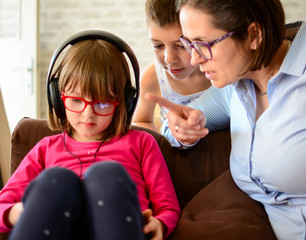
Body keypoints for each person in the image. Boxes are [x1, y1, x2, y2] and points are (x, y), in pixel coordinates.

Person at [146, 0, 306, 239]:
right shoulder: (233, 89)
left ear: (253, 34)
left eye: (202, 44)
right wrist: (181, 129)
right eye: (188, 43)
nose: (194, 59)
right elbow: (175, 123)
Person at [0, 36, 180, 240]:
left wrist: (161, 223)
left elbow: (168, 208)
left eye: (102, 104)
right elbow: (2, 206)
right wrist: (18, 212)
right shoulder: (45, 148)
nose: (88, 115)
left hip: (117, 229)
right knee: (57, 180)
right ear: (58, 98)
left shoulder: (143, 143)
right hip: (60, 231)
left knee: (106, 174)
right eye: (76, 101)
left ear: (123, 103)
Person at [132, 0, 211, 135]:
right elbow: (141, 121)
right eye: (158, 46)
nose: (169, 59)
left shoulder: (219, 71)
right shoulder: (152, 77)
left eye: (181, 46)